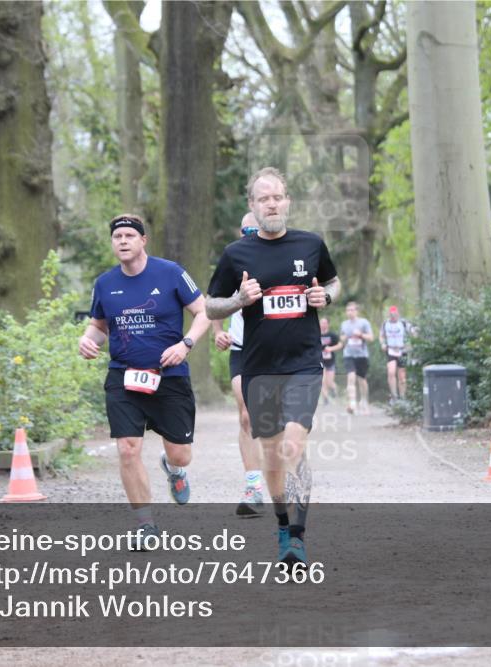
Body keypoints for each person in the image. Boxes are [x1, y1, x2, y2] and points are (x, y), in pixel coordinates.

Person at [205, 167, 341, 567]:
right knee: (272, 454)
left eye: (278, 197)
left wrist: (324, 297)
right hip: (258, 368)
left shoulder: (311, 244)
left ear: (288, 201)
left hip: (303, 363)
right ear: (253, 206)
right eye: (264, 198)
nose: (272, 203)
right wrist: (237, 301)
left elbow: (333, 283)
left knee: (293, 445)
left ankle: (297, 538)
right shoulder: (236, 255)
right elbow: (210, 304)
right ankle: (282, 524)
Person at [78, 214, 210, 549]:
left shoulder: (170, 273)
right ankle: (145, 525)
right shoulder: (105, 283)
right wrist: (87, 340)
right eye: (116, 236)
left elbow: (204, 311)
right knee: (127, 448)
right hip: (123, 375)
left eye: (128, 235)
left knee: (181, 455)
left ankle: (175, 470)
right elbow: (99, 325)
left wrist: (186, 344)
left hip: (169, 376)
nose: (122, 241)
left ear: (143, 240)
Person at [211, 213, 266, 517]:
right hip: (243, 349)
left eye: (256, 229)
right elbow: (215, 299)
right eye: (246, 229)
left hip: (278, 350)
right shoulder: (234, 260)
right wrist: (219, 332)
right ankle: (253, 486)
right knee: (246, 415)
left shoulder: (284, 260)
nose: (251, 234)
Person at [340, 301, 373, 415]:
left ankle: (364, 401)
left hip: (362, 355)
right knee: (351, 376)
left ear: (356, 311)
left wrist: (361, 334)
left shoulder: (364, 322)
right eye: (348, 310)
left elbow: (371, 337)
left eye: (352, 310)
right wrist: (343, 338)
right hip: (349, 354)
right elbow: (342, 337)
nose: (350, 312)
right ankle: (352, 403)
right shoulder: (344, 324)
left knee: (362, 380)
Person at [380, 305, 415, 401]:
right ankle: (394, 396)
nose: (393, 317)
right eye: (391, 315)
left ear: (398, 314)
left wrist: (412, 340)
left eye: (395, 315)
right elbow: (382, 336)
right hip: (390, 350)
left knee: (402, 376)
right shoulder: (385, 324)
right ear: (389, 315)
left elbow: (413, 332)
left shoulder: (403, 323)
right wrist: (383, 343)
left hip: (402, 350)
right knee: (391, 372)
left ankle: (403, 397)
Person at [319, 317, 343, 405]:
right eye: (321, 323)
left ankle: (334, 389)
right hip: (320, 361)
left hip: (330, 361)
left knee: (329, 382)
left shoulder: (332, 335)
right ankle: (325, 399)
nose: (323, 325)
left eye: (325, 323)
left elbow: (340, 345)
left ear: (328, 324)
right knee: (322, 381)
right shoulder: (316, 334)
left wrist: (330, 349)